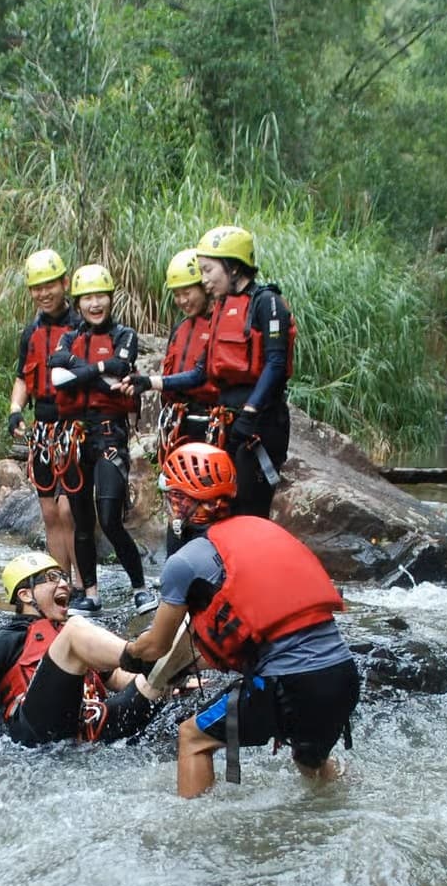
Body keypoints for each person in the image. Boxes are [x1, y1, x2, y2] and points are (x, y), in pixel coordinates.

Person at [124, 443, 359, 798]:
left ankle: (191, 839)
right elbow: (267, 629)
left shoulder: (185, 562)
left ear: (179, 501)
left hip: (288, 683)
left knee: (192, 738)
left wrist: (128, 654)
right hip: (341, 675)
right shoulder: (262, 530)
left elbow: (156, 645)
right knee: (309, 764)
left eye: (172, 495)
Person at [0, 552, 186, 761]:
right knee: (76, 629)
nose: (64, 585)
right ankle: (142, 654)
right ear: (26, 595)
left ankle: (161, 667)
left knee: (166, 659)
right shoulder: (7, 638)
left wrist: (168, 679)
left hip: (90, 723)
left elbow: (120, 679)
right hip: (37, 729)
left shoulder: (83, 641)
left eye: (64, 577)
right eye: (51, 578)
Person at [161, 225, 296, 519]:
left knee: (248, 510)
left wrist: (249, 412)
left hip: (259, 424)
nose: (204, 279)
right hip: (227, 423)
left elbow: (275, 363)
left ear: (233, 267)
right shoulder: (222, 308)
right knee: (220, 509)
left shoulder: (267, 303)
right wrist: (151, 382)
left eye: (209, 270)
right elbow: (201, 372)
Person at [48, 264, 154, 616]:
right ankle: (90, 594)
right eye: (88, 298)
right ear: (78, 303)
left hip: (109, 432)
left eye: (101, 296)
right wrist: (97, 370)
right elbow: (58, 378)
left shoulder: (125, 335)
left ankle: (139, 587)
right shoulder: (67, 337)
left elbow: (121, 369)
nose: (95, 304)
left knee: (109, 518)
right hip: (75, 436)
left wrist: (78, 370)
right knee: (80, 520)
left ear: (110, 298)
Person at [128, 248, 216, 557]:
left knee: (205, 502)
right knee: (176, 500)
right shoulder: (182, 328)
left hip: (207, 427)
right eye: (176, 295)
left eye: (187, 292)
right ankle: (175, 568)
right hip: (178, 427)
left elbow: (198, 375)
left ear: (204, 287)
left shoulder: (217, 325)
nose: (182, 300)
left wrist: (151, 383)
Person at [7, 249, 80, 594]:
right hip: (43, 427)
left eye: (50, 285)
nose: (44, 293)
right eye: (37, 288)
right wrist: (15, 410)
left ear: (65, 283)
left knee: (69, 509)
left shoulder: (82, 326)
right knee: (50, 511)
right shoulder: (30, 332)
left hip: (75, 426)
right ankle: (62, 580)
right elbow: (23, 376)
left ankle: (83, 578)